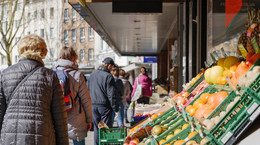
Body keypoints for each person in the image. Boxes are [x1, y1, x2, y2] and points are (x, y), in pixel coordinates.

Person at [0, 34, 69, 145]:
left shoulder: (5, 74)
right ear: (43, 51)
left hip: (10, 137)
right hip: (42, 136)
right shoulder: (50, 76)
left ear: (21, 50)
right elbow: (60, 117)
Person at [54, 46, 92, 145]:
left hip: (57, 117)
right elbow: (86, 100)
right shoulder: (77, 75)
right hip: (76, 119)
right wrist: (89, 120)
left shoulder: (52, 73)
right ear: (73, 58)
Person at [87, 57, 118, 145]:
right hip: (104, 106)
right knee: (105, 129)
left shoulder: (92, 74)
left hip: (93, 105)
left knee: (97, 129)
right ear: (109, 66)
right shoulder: (108, 76)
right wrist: (115, 108)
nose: (112, 69)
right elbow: (111, 94)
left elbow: (88, 89)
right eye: (112, 67)